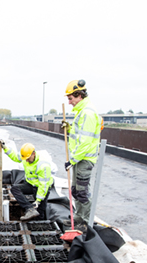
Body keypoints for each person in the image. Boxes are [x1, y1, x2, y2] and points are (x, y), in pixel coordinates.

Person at [61, 79, 103, 228]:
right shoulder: (82, 113)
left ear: (79, 95)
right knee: (76, 190)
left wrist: (72, 160)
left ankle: (85, 223)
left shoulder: (88, 113)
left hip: (84, 159)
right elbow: (80, 135)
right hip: (79, 159)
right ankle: (78, 217)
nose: (70, 102)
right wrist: (70, 128)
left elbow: (85, 142)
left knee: (82, 191)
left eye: (71, 98)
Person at [0, 141, 54, 221]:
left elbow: (44, 185)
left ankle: (39, 227)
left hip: (40, 188)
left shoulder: (43, 165)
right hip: (30, 184)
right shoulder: (26, 157)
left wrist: (38, 201)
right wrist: (5, 148)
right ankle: (29, 209)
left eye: (28, 158)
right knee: (15, 188)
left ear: (33, 154)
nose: (26, 161)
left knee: (40, 212)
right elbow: (15, 156)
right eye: (25, 159)